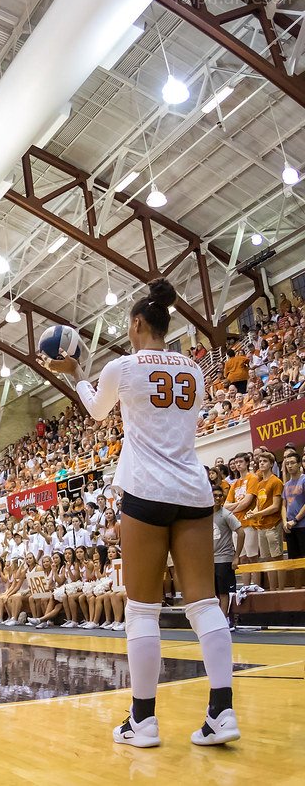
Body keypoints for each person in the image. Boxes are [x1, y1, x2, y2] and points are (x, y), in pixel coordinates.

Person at [42, 278, 240, 748]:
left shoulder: (124, 367)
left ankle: (143, 721)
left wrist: (74, 371)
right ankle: (222, 711)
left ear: (136, 324)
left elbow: (94, 410)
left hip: (146, 491)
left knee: (142, 610)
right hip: (194, 491)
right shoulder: (194, 367)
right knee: (204, 604)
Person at [246, 453, 284, 589]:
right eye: (260, 461)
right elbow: (258, 504)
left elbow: (275, 506)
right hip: (261, 526)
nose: (261, 463)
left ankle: (280, 589)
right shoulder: (260, 483)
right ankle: (273, 589)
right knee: (267, 560)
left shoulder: (276, 481)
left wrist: (257, 514)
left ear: (271, 464)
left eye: (264, 461)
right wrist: (253, 512)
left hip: (273, 524)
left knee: (277, 558)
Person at [211, 487, 244, 622]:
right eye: (215, 495)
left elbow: (241, 533)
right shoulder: (205, 515)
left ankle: (224, 620)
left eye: (220, 496)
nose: (218, 498)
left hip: (224, 559)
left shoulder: (226, 515)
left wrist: (236, 556)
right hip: (210, 560)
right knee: (214, 593)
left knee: (224, 592)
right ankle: (216, 619)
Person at [281, 452, 305, 588]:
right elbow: (284, 505)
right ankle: (298, 588)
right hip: (290, 528)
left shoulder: (304, 480)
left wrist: (295, 520)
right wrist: (285, 521)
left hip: (302, 526)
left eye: (292, 463)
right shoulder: (286, 484)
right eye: (287, 463)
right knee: (294, 561)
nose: (289, 466)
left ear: (299, 464)